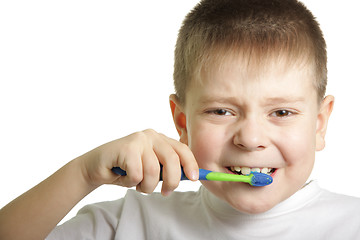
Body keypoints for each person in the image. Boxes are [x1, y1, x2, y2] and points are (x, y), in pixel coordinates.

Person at [1, 0, 360, 239]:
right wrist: (83, 174)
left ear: (319, 123)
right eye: (221, 111)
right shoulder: (127, 224)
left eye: (281, 112)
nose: (250, 139)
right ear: (182, 123)